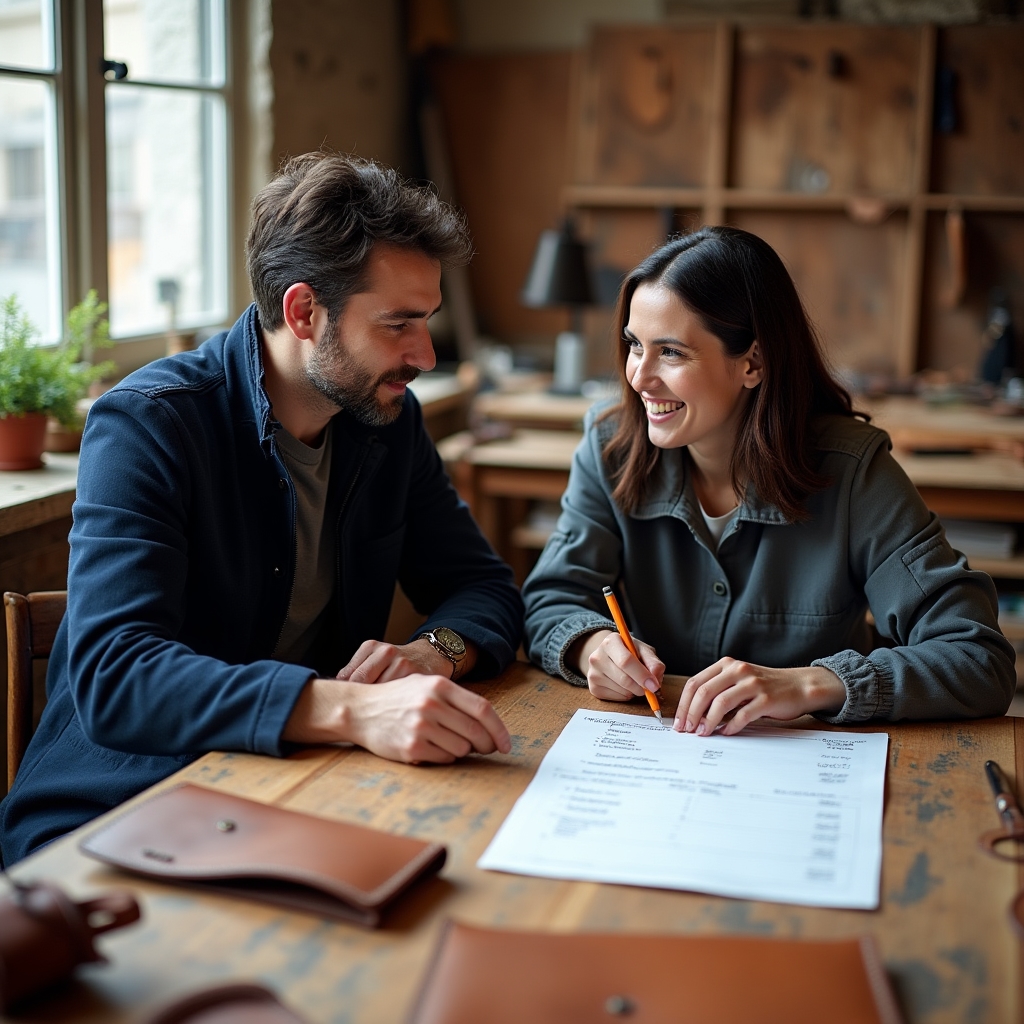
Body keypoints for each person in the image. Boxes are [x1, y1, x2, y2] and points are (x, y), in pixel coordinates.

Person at [1, 153, 523, 863]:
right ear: (304, 311)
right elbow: (116, 676)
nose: (426, 355)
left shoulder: (385, 421)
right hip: (117, 813)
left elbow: (484, 586)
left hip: (297, 787)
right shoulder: (149, 424)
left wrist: (434, 654)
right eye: (399, 324)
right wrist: (350, 708)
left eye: (426, 321)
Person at [522, 226, 1015, 733]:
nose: (639, 376)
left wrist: (807, 685)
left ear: (753, 362)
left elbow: (978, 659)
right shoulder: (611, 450)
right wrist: (592, 648)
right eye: (634, 345)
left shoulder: (854, 473)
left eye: (670, 352)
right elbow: (549, 599)